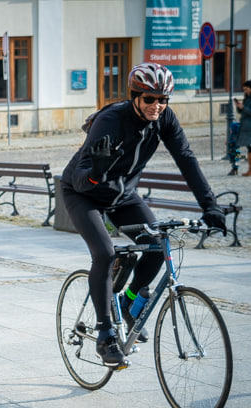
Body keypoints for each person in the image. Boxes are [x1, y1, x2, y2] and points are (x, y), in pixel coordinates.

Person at [59, 63, 226, 368]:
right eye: (150, 99)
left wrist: (210, 206)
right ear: (135, 96)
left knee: (156, 247)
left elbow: (186, 159)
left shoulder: (164, 119)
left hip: (123, 195)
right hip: (83, 194)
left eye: (163, 100)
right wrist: (97, 170)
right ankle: (106, 334)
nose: (157, 106)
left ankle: (128, 303)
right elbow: (81, 177)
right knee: (105, 253)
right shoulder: (111, 119)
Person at [234, 80, 251, 176]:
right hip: (246, 127)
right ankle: (250, 169)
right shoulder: (247, 98)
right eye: (244, 90)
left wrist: (243, 108)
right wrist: (239, 107)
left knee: (250, 148)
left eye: (246, 89)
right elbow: (243, 112)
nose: (245, 91)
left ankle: (250, 170)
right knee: (249, 147)